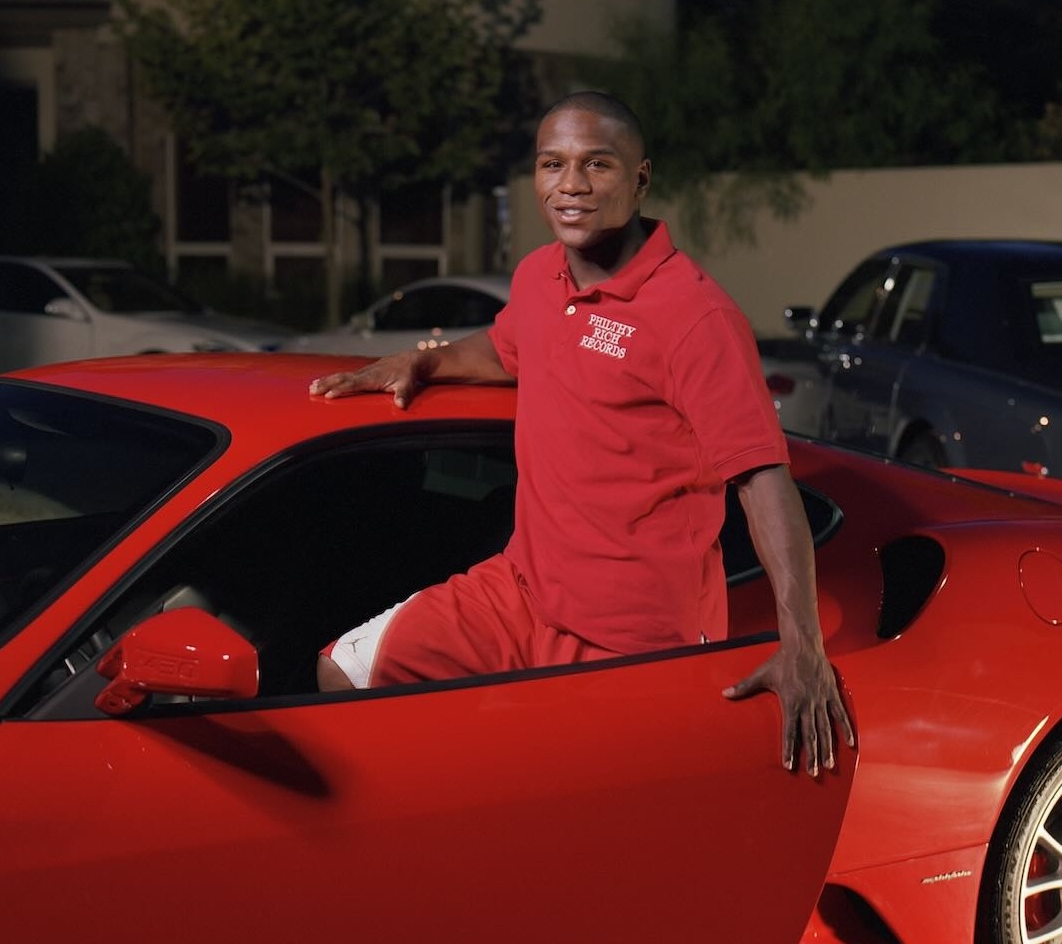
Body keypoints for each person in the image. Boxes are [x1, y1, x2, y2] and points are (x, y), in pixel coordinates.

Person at [310, 91, 854, 776]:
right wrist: (427, 360)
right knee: (342, 675)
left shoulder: (694, 315)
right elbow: (510, 347)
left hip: (634, 635)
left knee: (563, 815)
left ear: (640, 179)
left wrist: (801, 641)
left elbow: (762, 478)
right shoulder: (539, 277)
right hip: (519, 590)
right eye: (552, 164)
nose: (570, 185)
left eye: (596, 165)